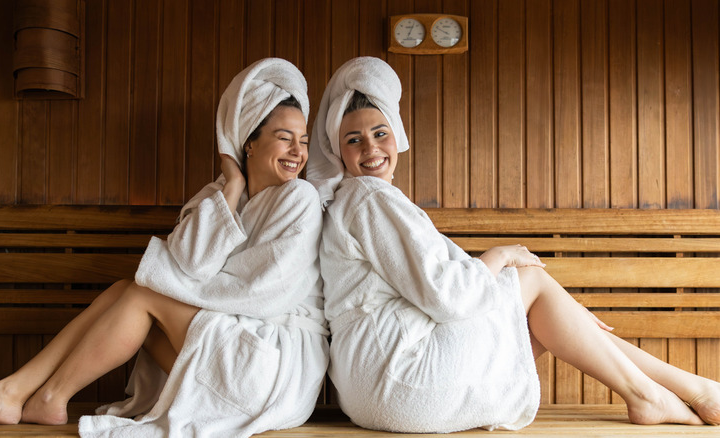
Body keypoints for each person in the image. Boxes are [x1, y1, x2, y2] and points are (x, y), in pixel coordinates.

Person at [306, 56, 720, 433]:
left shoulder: (362, 203)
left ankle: (688, 389)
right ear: (339, 151)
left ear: (396, 133)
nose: (371, 148)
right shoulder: (368, 199)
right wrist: (500, 255)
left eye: (380, 133)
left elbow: (444, 285)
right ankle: (656, 394)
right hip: (402, 377)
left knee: (537, 313)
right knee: (532, 281)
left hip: (375, 386)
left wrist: (566, 313)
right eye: (353, 140)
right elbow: (448, 295)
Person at [0, 58, 329, 438]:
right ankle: (20, 393)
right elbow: (189, 265)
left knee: (142, 293)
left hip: (275, 370)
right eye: (284, 138)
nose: (298, 151)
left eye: (304, 140)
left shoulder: (300, 199)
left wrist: (166, 285)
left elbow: (260, 295)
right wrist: (231, 186)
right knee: (126, 292)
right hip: (232, 356)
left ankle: (38, 394)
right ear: (249, 143)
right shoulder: (219, 197)